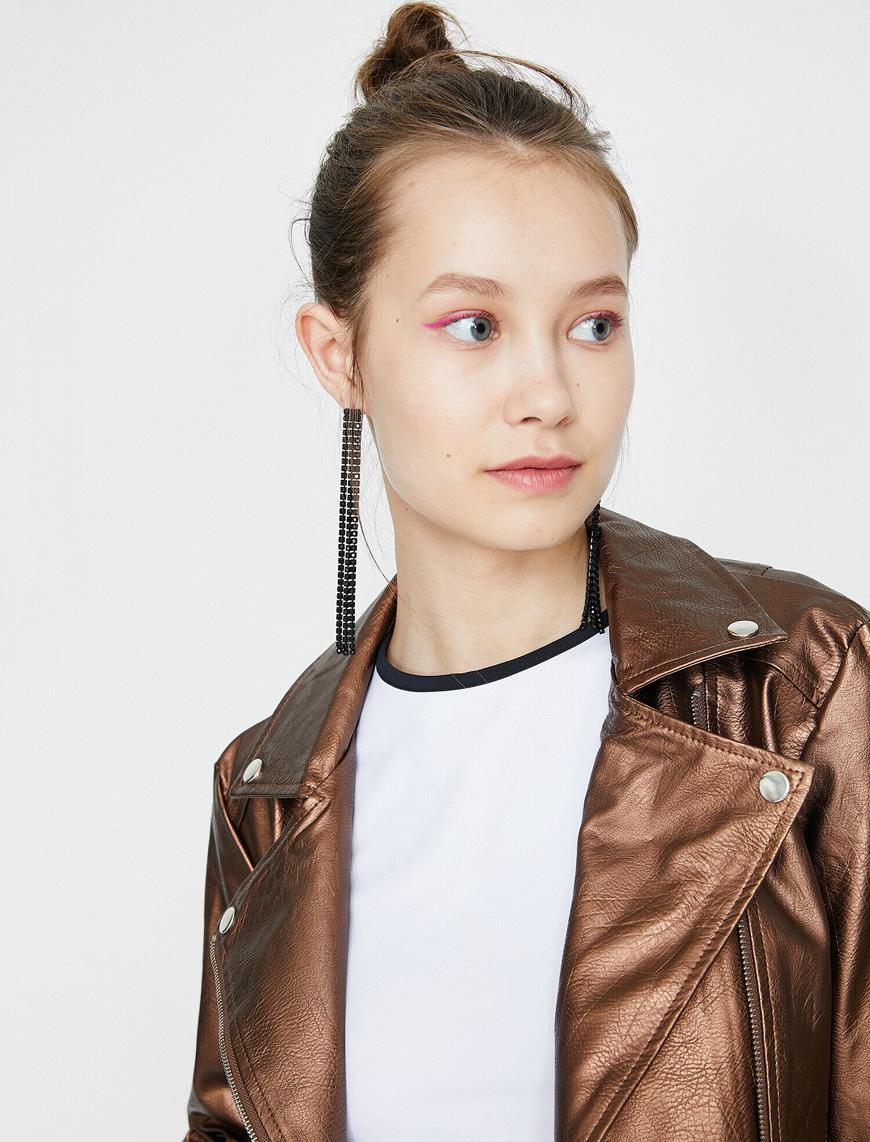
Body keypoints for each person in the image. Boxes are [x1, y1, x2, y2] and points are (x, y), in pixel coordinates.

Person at [182, 5, 870, 1141]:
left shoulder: (803, 691)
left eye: (593, 324)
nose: (548, 392)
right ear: (339, 354)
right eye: (474, 325)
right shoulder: (266, 793)